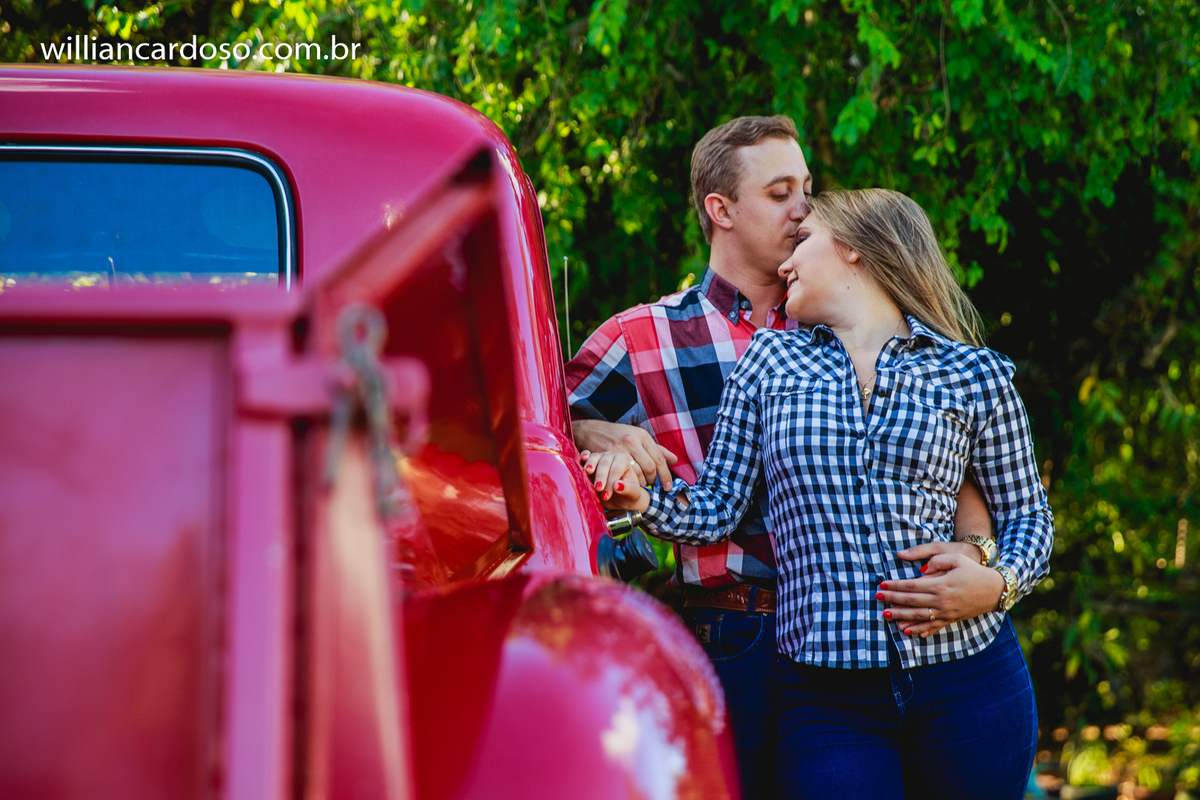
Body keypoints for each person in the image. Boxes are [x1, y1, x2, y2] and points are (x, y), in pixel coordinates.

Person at [566, 117, 996, 799]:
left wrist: (978, 556)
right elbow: (542, 423)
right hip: (729, 632)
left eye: (808, 189)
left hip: (866, 637)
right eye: (780, 192)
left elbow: (967, 463)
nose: (805, 209)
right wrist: (597, 435)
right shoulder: (642, 336)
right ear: (721, 210)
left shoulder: (852, 319)